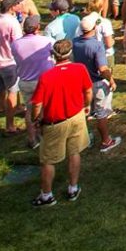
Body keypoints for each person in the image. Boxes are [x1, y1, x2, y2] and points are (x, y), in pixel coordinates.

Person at [30, 39, 92, 207]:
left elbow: (36, 103)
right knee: (74, 152)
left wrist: (36, 120)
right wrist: (86, 106)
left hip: (54, 122)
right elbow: (88, 90)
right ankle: (73, 187)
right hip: (76, 116)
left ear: (54, 56)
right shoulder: (80, 69)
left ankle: (47, 195)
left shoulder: (46, 77)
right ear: (70, 53)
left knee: (48, 160)